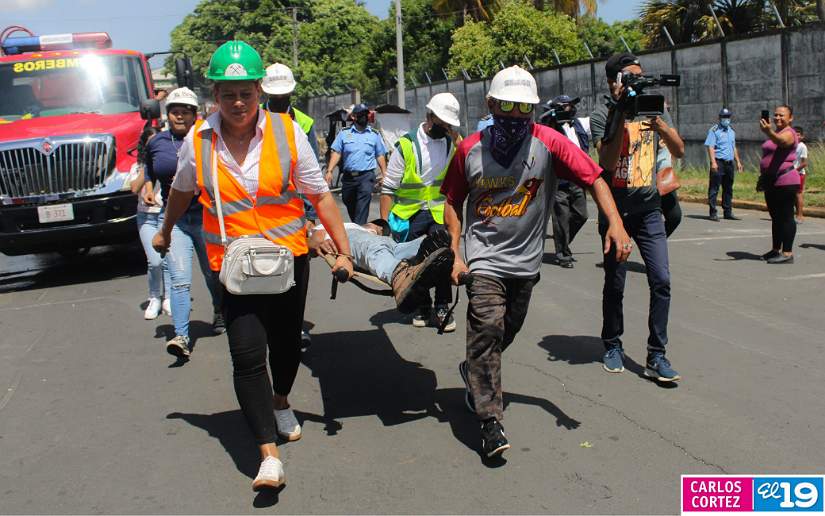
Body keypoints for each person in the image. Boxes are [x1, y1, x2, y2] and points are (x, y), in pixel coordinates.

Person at [153, 41, 353, 491]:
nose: (238, 103)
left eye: (246, 93)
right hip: (234, 265)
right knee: (245, 356)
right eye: (229, 94)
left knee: (286, 346)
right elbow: (182, 191)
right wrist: (165, 230)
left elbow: (319, 194)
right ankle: (268, 456)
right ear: (215, 95)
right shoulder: (198, 141)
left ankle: (280, 399)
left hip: (288, 260)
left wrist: (343, 249)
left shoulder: (287, 132)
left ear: (259, 91)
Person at [442, 65, 632, 458]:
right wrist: (457, 253)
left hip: (525, 264)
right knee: (487, 328)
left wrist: (615, 222)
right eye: (507, 106)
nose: (515, 115)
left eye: (524, 108)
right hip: (484, 259)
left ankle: (474, 370)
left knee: (505, 331)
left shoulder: (548, 142)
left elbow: (594, 177)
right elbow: (452, 201)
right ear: (491, 104)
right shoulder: (469, 149)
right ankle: (490, 421)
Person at [591, 53, 685, 382]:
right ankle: (612, 344)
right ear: (613, 81)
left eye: (640, 76)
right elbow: (605, 161)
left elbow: (679, 149)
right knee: (615, 283)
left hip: (649, 211)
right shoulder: (602, 113)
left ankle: (656, 355)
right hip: (616, 214)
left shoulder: (653, 109)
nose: (638, 82)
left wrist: (660, 124)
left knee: (661, 280)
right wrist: (620, 112)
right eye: (630, 76)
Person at [144, 87, 224, 355]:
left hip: (205, 217)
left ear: (194, 115)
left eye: (185, 112)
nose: (179, 116)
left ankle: (220, 311)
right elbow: (149, 170)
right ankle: (181, 336)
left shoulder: (207, 139)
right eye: (174, 112)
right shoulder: (156, 143)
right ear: (167, 115)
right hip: (174, 219)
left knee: (213, 274)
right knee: (179, 279)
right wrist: (148, 188)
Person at [380, 92, 461, 332]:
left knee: (443, 256)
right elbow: (388, 188)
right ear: (430, 116)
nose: (446, 128)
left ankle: (442, 305)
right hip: (410, 213)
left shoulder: (451, 143)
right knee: (417, 261)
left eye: (450, 125)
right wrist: (383, 225)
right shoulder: (406, 145)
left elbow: (468, 159)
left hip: (438, 211)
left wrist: (456, 139)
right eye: (443, 123)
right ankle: (423, 306)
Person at [262, 62, 318, 346]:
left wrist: (311, 216)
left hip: (295, 214)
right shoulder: (254, 121)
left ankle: (294, 328)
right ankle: (269, 326)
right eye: (275, 97)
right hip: (262, 212)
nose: (280, 100)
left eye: (283, 96)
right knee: (264, 271)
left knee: (295, 274)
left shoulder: (304, 124)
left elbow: (312, 177)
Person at [308, 220, 454, 313]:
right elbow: (315, 239)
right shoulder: (335, 226)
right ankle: (399, 274)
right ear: (375, 226)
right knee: (381, 251)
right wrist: (319, 244)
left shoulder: (362, 229)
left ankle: (426, 248)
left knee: (391, 250)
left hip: (380, 244)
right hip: (355, 239)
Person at [539, 95, 590, 268]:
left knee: (582, 215)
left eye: (570, 105)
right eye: (565, 106)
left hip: (577, 178)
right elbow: (541, 126)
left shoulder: (579, 124)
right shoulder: (549, 125)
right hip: (558, 180)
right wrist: (551, 116)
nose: (569, 108)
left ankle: (563, 241)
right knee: (561, 218)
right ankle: (564, 256)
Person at [129, 125, 171, 319]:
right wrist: (147, 166)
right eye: (150, 144)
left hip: (166, 215)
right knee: (154, 261)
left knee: (168, 260)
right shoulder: (138, 166)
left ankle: (168, 298)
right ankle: (154, 297)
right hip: (146, 217)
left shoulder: (168, 162)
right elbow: (134, 188)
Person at [325, 104, 387, 224]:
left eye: (365, 114)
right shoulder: (344, 133)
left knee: (363, 203)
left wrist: (384, 173)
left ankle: (359, 228)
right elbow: (337, 152)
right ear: (354, 116)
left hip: (366, 176)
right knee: (348, 200)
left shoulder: (374, 134)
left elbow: (380, 154)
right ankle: (358, 225)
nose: (364, 117)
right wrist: (329, 171)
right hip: (349, 177)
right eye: (361, 114)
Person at [758, 105, 800, 264]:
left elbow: (782, 142)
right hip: (771, 181)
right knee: (775, 217)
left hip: (786, 180)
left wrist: (769, 132)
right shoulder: (775, 133)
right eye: (775, 115)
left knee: (786, 217)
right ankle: (775, 250)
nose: (777, 118)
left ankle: (787, 253)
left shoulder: (790, 133)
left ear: (791, 118)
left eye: (782, 115)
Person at [704, 108, 744, 221]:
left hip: (729, 163)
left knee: (728, 188)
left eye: (728, 117)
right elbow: (711, 147)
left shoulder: (731, 131)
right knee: (714, 188)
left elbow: (733, 147)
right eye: (724, 117)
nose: (726, 119)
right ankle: (713, 212)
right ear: (720, 118)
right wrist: (713, 162)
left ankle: (728, 212)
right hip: (718, 162)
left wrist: (738, 161)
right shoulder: (714, 130)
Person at [794, 126, 808, 223]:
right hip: (791, 173)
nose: (796, 137)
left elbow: (804, 163)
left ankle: (800, 215)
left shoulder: (802, 146)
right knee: (792, 194)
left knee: (798, 194)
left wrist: (795, 170)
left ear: (802, 136)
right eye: (795, 135)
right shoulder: (791, 145)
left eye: (798, 135)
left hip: (799, 174)